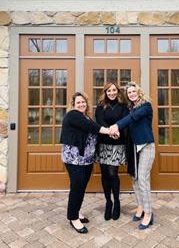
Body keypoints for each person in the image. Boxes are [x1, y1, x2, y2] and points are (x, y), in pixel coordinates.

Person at [60, 92, 110, 234]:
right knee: (77, 187)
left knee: (81, 187)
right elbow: (94, 128)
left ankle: (76, 211)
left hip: (86, 159)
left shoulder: (85, 116)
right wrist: (109, 130)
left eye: (83, 102)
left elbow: (94, 128)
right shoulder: (73, 115)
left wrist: (111, 133)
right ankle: (73, 218)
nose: (81, 104)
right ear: (73, 104)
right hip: (74, 159)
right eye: (78, 102)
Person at [109, 81, 155, 230]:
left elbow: (132, 119)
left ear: (139, 92)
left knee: (143, 179)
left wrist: (116, 126)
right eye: (129, 92)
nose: (131, 94)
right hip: (133, 147)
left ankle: (148, 213)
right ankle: (141, 206)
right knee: (134, 178)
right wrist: (117, 133)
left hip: (146, 145)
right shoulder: (130, 108)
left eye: (133, 91)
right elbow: (128, 125)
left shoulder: (145, 106)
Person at [95, 82, 129, 220]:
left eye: (114, 90)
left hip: (118, 143)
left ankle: (117, 202)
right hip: (103, 143)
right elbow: (100, 120)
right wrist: (110, 131)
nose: (112, 93)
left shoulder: (123, 106)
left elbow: (125, 120)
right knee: (104, 174)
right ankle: (108, 202)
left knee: (113, 173)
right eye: (109, 91)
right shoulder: (100, 105)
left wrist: (117, 131)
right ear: (105, 92)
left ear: (118, 91)